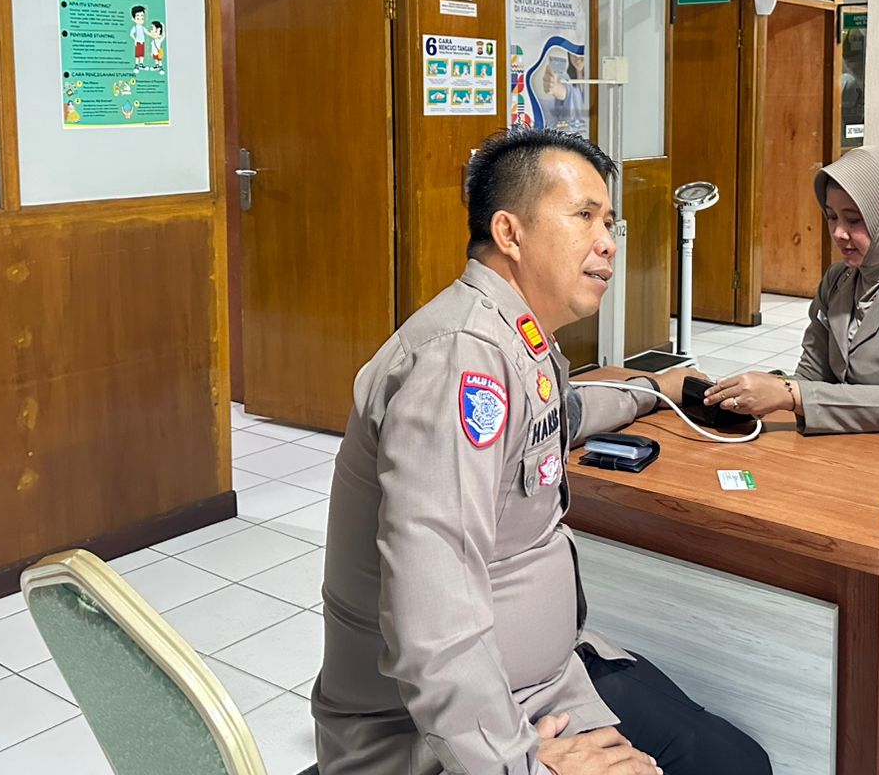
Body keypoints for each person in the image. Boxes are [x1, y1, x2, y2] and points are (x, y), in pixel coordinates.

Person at [312, 128, 772, 775]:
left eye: (608, 221)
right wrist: (526, 767)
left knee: (727, 755)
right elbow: (434, 626)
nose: (608, 241)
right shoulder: (461, 361)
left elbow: (564, 414)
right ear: (510, 232)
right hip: (437, 738)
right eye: (584, 215)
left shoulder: (515, 336)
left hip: (542, 683)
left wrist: (654, 390)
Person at [705, 147, 879, 434]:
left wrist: (789, 394)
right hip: (838, 445)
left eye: (853, 219)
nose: (838, 233)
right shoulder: (838, 280)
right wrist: (756, 392)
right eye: (832, 217)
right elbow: (812, 374)